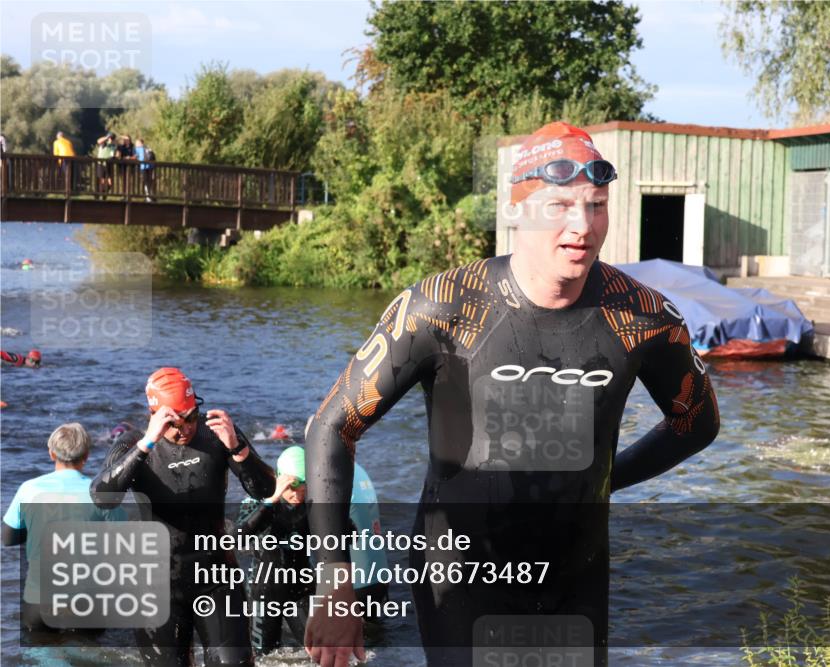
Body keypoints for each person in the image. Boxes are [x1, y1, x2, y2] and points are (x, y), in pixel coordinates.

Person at [305, 121, 721, 667]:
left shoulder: (642, 316)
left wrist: (605, 477)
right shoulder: (442, 305)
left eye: (596, 205)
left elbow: (697, 423)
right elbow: (332, 428)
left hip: (576, 581)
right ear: (518, 210)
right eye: (559, 206)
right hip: (459, 582)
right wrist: (335, 583)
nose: (582, 225)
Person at [91, 367, 275, 667]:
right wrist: (146, 444)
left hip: (216, 577)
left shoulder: (218, 432)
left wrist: (237, 447)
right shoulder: (133, 442)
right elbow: (102, 497)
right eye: (175, 422)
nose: (186, 428)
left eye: (191, 416)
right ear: (155, 415)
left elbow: (265, 490)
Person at [235, 445, 388, 657]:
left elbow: (351, 535)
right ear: (280, 480)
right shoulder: (258, 502)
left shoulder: (312, 506)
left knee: (321, 651)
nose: (297, 494)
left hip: (301, 589)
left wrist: (333, 512)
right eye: (291, 487)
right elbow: (237, 538)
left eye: (303, 486)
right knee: (264, 657)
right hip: (264, 593)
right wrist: (273, 500)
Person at [2, 423, 120, 631]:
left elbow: (7, 538)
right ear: (86, 455)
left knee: (41, 659)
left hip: (39, 601)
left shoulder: (28, 489)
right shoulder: (101, 492)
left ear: (51, 453)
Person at [94, 132, 116, 197]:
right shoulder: (104, 143)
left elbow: (114, 153)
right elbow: (98, 141)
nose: (111, 140)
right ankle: (99, 194)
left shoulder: (114, 145)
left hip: (109, 164)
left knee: (110, 182)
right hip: (101, 164)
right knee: (101, 180)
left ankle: (104, 192)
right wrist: (107, 137)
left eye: (112, 138)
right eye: (111, 138)